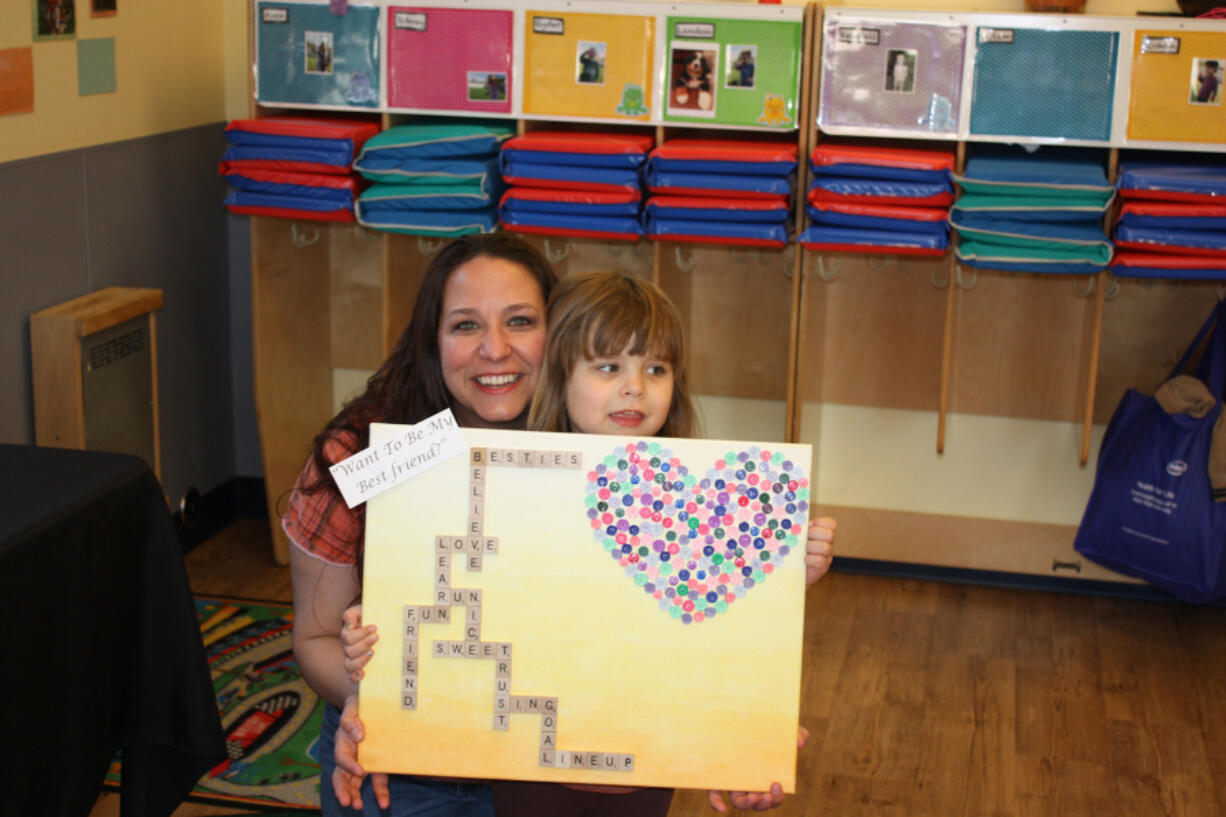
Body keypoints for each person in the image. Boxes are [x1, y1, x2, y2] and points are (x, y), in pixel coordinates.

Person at [336, 272, 838, 815]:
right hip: (527, 764)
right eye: (607, 367)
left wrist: (787, 568)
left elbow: (728, 637)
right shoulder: (503, 478)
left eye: (656, 368)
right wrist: (386, 617)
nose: (634, 387)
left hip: (647, 766)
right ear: (560, 374)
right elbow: (455, 589)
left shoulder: (704, 505)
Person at [285, 233, 559, 817]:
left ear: (555, 334)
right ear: (432, 342)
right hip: (395, 761)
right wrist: (374, 699)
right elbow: (314, 639)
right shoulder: (363, 451)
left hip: (544, 764)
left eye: (520, 320)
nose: (495, 349)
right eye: (465, 325)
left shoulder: (591, 443)